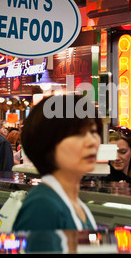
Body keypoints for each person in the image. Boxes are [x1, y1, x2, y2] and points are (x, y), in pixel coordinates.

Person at [12, 94, 101, 231]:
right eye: (78, 134)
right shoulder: (42, 206)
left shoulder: (74, 201)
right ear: (48, 143)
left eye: (93, 131)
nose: (92, 141)